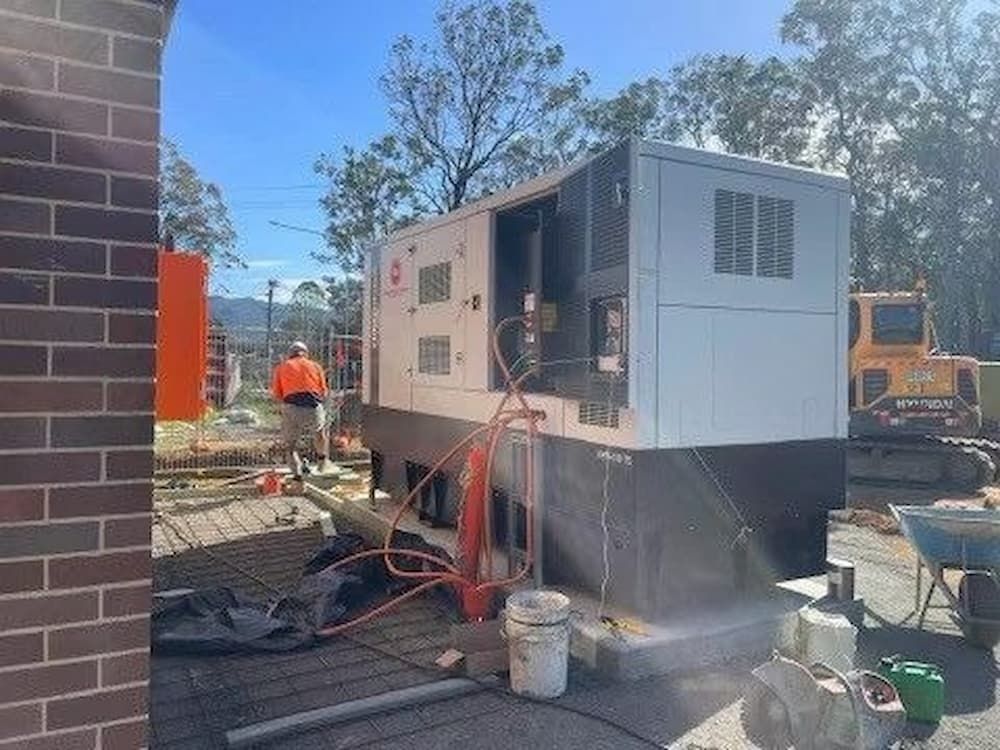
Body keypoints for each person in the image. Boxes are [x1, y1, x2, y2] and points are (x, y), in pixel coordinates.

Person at [271, 341, 334, 479]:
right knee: (319, 432)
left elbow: (277, 395)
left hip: (291, 407)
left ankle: (297, 476)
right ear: (305, 354)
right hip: (313, 407)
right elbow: (323, 391)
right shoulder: (316, 366)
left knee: (291, 445)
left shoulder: (281, 367)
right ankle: (322, 462)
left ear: (290, 354)